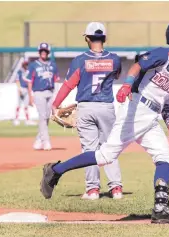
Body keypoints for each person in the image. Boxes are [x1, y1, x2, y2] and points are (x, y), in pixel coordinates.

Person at [40, 20, 169, 224]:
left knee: (165, 158)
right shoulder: (164, 55)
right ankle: (55, 171)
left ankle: (161, 208)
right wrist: (126, 85)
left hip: (152, 117)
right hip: (136, 110)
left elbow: (168, 104)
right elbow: (137, 65)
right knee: (105, 155)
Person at [52, 22, 123, 200]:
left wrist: (56, 104)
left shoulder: (80, 60)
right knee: (110, 147)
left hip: (86, 107)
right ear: (104, 38)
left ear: (87, 38)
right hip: (106, 107)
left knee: (89, 150)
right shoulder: (114, 59)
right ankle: (116, 189)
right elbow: (117, 75)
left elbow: (69, 84)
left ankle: (93, 190)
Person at [25, 43, 60, 151]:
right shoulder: (33, 65)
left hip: (50, 92)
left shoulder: (52, 64)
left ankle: (38, 140)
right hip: (38, 92)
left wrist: (57, 96)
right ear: (39, 52)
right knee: (42, 116)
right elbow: (29, 82)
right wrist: (30, 96)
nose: (43, 53)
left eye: (45, 51)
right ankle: (46, 141)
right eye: (42, 51)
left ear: (48, 52)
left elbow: (56, 81)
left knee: (47, 117)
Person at [13, 61, 37, 126]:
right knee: (19, 104)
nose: (26, 66)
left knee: (26, 105)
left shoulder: (29, 71)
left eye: (27, 65)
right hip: (21, 88)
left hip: (27, 89)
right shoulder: (20, 71)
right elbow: (17, 80)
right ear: (23, 65)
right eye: (25, 65)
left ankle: (27, 120)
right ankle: (16, 119)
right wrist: (19, 89)